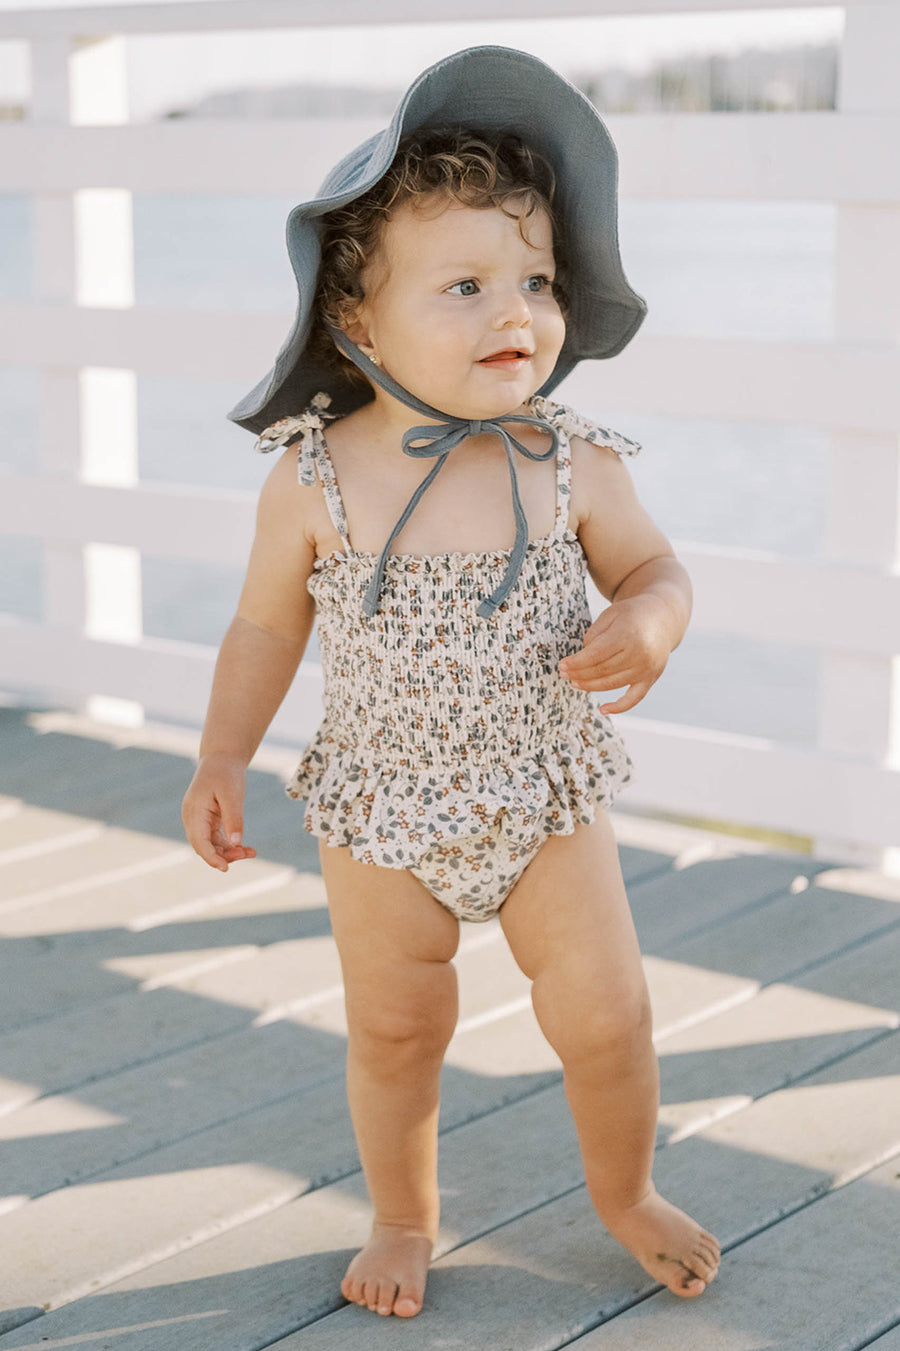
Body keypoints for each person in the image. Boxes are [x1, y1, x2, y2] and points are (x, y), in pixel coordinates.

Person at [182, 45, 720, 1320]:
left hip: (543, 795)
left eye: (534, 280)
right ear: (357, 322)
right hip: (380, 807)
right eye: (466, 285)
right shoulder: (313, 479)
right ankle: (405, 1215)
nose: (514, 314)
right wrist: (219, 758)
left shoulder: (570, 459)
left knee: (607, 1013)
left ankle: (625, 1190)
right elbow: (263, 633)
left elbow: (656, 565)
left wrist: (651, 617)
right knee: (396, 1029)